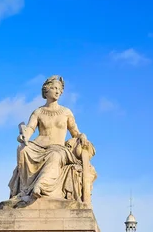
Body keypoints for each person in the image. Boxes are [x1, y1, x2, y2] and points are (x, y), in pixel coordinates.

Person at [8, 75, 96, 203]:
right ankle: (25, 190)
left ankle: (40, 187)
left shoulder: (66, 112)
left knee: (55, 156)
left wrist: (81, 136)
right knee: (22, 150)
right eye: (54, 88)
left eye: (59, 89)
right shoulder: (38, 112)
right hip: (39, 146)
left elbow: (75, 132)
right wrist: (23, 136)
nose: (57, 91)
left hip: (58, 148)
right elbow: (30, 129)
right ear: (46, 90)